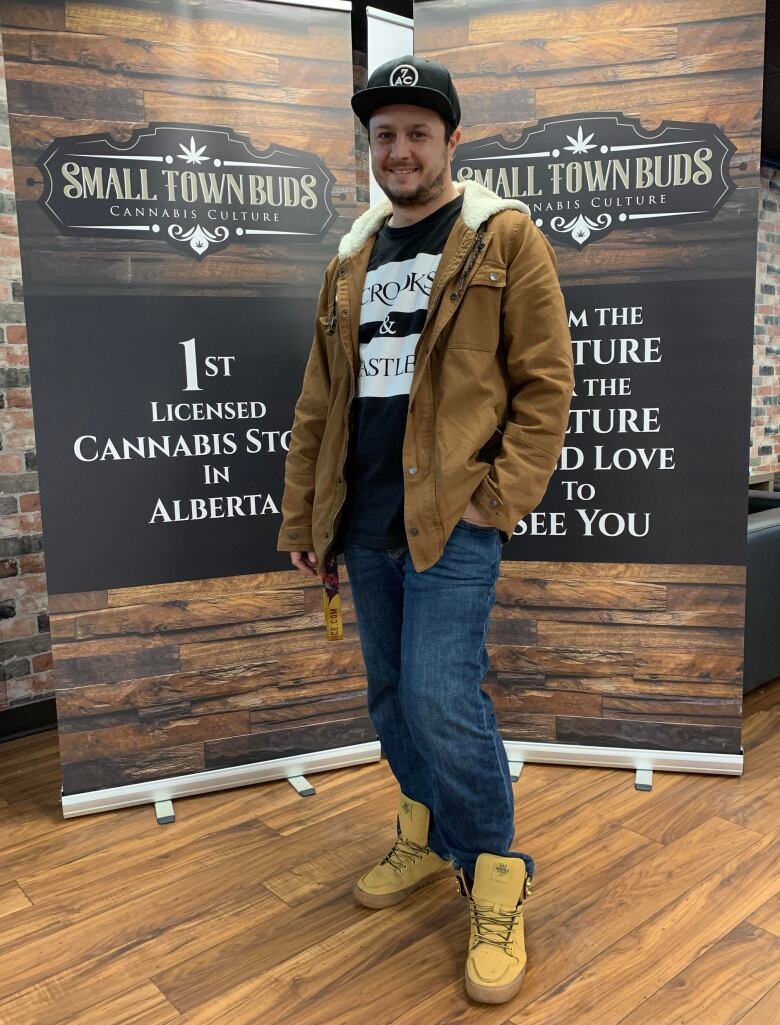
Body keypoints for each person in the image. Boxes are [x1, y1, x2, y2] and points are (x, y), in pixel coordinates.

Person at [277, 54, 574, 1004]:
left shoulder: (503, 239)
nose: (399, 150)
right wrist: (305, 516)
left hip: (453, 520)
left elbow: (546, 384)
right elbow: (320, 400)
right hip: (361, 518)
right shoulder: (350, 258)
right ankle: (426, 835)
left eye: (417, 132)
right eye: (384, 135)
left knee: (445, 700)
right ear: (371, 148)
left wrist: (498, 497)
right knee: (392, 697)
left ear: (453, 140)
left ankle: (495, 875)